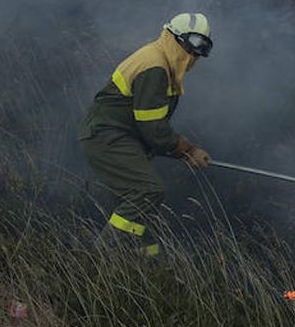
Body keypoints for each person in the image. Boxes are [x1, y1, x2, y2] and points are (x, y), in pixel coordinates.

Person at [78, 13, 213, 256]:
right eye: (191, 45)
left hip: (120, 138)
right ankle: (100, 257)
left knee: (139, 205)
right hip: (107, 137)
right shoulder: (155, 67)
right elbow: (153, 129)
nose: (193, 55)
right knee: (146, 192)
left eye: (201, 48)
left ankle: (146, 264)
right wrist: (188, 150)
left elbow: (152, 129)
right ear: (173, 38)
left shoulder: (163, 63)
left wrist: (183, 152)